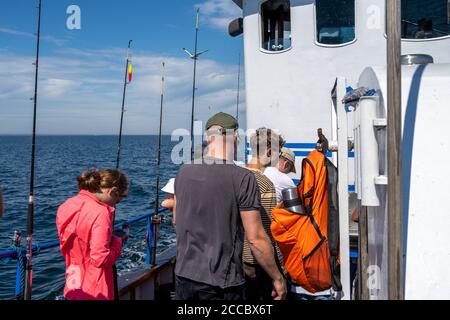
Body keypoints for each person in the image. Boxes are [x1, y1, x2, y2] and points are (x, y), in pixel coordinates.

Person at [173, 112, 287, 300]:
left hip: (183, 277)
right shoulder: (243, 178)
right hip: (221, 284)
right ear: (234, 137)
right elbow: (256, 239)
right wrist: (277, 278)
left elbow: (177, 221)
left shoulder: (183, 172)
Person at [56, 169, 129, 300]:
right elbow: (100, 259)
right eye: (117, 201)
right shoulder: (101, 213)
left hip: (73, 282)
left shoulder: (66, 205)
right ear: (112, 191)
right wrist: (118, 242)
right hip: (96, 288)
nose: (115, 205)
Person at [244, 127, 286, 301]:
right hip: (258, 265)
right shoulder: (264, 184)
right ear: (269, 151)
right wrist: (280, 272)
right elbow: (267, 233)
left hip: (237, 263)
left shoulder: (237, 177)